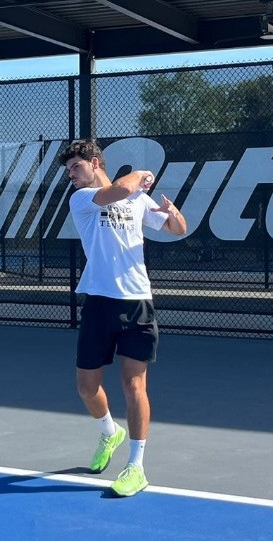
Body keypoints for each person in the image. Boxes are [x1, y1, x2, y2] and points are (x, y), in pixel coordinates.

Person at [59, 140, 187, 497]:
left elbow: (177, 229)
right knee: (86, 387)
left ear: (94, 162)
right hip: (99, 303)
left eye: (75, 167)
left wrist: (173, 213)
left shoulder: (137, 200)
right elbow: (119, 190)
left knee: (135, 386)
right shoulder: (82, 199)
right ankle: (108, 431)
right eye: (68, 171)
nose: (71, 175)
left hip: (137, 304)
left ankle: (136, 466)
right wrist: (141, 174)